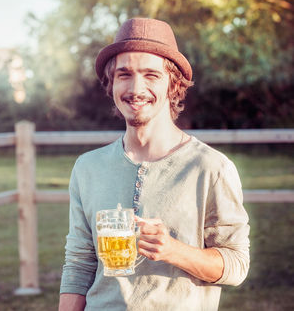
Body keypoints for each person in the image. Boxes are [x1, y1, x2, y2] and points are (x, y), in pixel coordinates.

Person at [58, 18, 250, 311]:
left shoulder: (211, 168)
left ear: (173, 84)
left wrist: (174, 250)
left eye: (151, 75)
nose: (136, 88)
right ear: (111, 85)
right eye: (124, 74)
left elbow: (237, 264)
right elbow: (79, 264)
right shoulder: (87, 168)